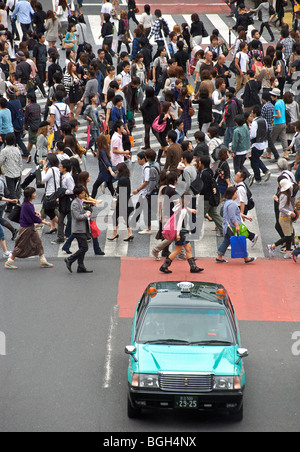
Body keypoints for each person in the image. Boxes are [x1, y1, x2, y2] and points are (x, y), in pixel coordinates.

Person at [5, 187, 53, 270]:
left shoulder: (27, 203)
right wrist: (45, 222)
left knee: (38, 243)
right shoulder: (28, 205)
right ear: (30, 195)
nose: (35, 194)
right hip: (26, 228)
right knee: (20, 245)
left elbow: (30, 213)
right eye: (34, 193)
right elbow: (32, 217)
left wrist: (35, 212)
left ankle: (43, 261)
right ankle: (9, 262)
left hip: (30, 227)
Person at [159, 196, 204, 274]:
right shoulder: (183, 211)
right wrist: (178, 234)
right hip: (182, 232)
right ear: (187, 202)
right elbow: (179, 223)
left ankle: (193, 267)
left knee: (188, 248)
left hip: (183, 232)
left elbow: (177, 207)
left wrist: (189, 209)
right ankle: (164, 266)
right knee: (177, 250)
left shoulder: (178, 207)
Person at [216, 186, 256, 264]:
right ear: (232, 194)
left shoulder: (228, 202)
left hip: (227, 226)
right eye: (236, 193)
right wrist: (237, 225)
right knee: (239, 241)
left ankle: (219, 256)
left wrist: (244, 216)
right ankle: (246, 258)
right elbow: (232, 216)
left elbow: (234, 213)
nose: (237, 194)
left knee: (227, 241)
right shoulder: (231, 203)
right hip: (231, 226)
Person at [64, 185, 93, 274]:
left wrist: (86, 211)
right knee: (84, 247)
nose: (84, 194)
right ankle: (70, 259)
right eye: (82, 193)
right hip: (78, 229)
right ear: (77, 194)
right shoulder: (75, 203)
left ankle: (81, 266)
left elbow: (81, 212)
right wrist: (86, 215)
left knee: (82, 247)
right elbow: (77, 217)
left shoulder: (79, 201)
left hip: (82, 228)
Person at [267, 179, 297, 259]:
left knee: (290, 235)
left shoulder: (286, 194)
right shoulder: (284, 196)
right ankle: (272, 246)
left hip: (287, 218)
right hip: (284, 218)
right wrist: (290, 213)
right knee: (288, 236)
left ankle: (287, 253)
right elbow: (281, 208)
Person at [108, 162, 134, 242]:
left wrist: (117, 187)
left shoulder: (121, 179)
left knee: (114, 217)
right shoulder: (126, 178)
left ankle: (115, 233)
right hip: (127, 200)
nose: (117, 171)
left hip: (123, 201)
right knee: (125, 218)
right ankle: (130, 233)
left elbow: (120, 191)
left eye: (118, 170)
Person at [199, 155, 223, 235]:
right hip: (211, 197)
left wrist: (199, 195)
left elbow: (204, 187)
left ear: (202, 163)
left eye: (199, 162)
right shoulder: (209, 171)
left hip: (206, 198)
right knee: (214, 214)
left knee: (199, 214)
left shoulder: (204, 173)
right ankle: (225, 230)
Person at [249, 105, 271, 186]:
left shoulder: (255, 122)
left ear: (254, 114)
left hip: (256, 144)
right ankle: (265, 170)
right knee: (256, 159)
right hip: (263, 143)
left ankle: (258, 179)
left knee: (254, 162)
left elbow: (253, 135)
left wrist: (249, 136)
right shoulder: (264, 120)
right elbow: (267, 129)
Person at [0, 133, 22, 214]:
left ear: (6, 141)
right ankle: (9, 208)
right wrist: (20, 173)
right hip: (17, 173)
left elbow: (0, 162)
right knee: (12, 191)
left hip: (8, 174)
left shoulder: (4, 151)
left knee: (12, 194)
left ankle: (21, 208)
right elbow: (20, 162)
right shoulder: (17, 149)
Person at [41, 153, 60, 233]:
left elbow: (43, 180)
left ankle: (61, 224)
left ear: (49, 161)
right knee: (51, 210)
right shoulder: (57, 169)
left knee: (48, 210)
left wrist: (43, 171)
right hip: (55, 192)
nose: (45, 162)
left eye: (46, 160)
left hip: (50, 193)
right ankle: (53, 227)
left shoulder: (51, 170)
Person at [270, 87, 289, 160]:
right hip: (283, 122)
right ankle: (286, 153)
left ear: (275, 96)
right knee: (283, 138)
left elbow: (279, 115)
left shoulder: (277, 104)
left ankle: (268, 153)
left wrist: (272, 115)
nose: (271, 97)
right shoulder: (282, 102)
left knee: (272, 139)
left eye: (272, 95)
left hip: (277, 123)